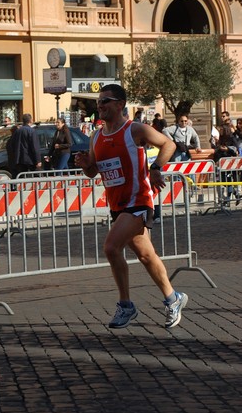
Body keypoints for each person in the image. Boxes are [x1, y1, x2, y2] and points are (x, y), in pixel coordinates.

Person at [75, 83, 188, 330]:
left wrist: (156, 168)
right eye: (98, 101)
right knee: (146, 255)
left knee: (111, 247)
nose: (100, 105)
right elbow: (94, 172)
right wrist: (85, 164)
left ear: (119, 104)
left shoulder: (134, 129)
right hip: (117, 205)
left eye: (105, 101)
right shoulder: (96, 136)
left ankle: (126, 306)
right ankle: (173, 298)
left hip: (138, 202)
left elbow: (168, 145)